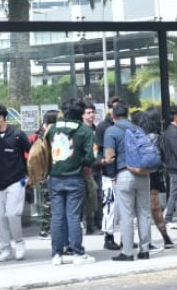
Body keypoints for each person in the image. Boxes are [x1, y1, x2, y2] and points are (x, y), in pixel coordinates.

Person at [44, 99, 97, 265]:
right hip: (75, 177)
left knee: (57, 216)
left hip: (55, 177)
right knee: (73, 216)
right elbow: (90, 157)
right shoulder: (84, 130)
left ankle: (56, 254)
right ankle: (77, 253)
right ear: (81, 114)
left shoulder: (53, 128)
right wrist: (81, 161)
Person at [0, 104, 32, 262]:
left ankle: (19, 242)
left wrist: (30, 174)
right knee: (1, 217)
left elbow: (32, 155)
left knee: (12, 213)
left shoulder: (18, 135)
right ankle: (5, 249)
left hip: (17, 181)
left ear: (1, 118)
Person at [104, 102, 152, 261]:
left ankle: (127, 252)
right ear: (128, 114)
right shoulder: (138, 129)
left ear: (113, 116)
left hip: (124, 174)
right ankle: (145, 250)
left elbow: (109, 157)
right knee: (144, 213)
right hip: (143, 174)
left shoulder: (111, 131)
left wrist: (112, 177)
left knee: (126, 215)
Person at [135, 108, 174, 250]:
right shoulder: (155, 136)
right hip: (153, 175)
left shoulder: (139, 134)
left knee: (142, 209)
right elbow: (160, 157)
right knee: (155, 208)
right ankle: (165, 238)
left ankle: (146, 239)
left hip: (139, 173)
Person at [94, 98, 121, 251]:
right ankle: (108, 237)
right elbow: (97, 151)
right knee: (110, 205)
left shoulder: (121, 125)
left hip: (121, 171)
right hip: (108, 172)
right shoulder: (103, 127)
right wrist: (103, 162)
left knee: (122, 208)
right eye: (114, 108)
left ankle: (125, 237)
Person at [35, 109, 59, 238]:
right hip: (48, 172)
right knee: (49, 202)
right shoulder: (48, 134)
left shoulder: (41, 133)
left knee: (47, 201)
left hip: (44, 172)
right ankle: (45, 229)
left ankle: (46, 229)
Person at [162, 104, 177, 226]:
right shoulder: (173, 132)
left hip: (175, 166)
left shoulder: (173, 131)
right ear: (175, 117)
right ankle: (168, 217)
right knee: (175, 193)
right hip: (176, 167)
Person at [81, 102, 101, 235]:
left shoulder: (96, 129)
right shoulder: (82, 130)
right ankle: (90, 225)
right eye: (88, 113)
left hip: (97, 167)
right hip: (86, 169)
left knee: (97, 196)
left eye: (93, 112)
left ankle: (98, 223)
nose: (91, 115)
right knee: (89, 197)